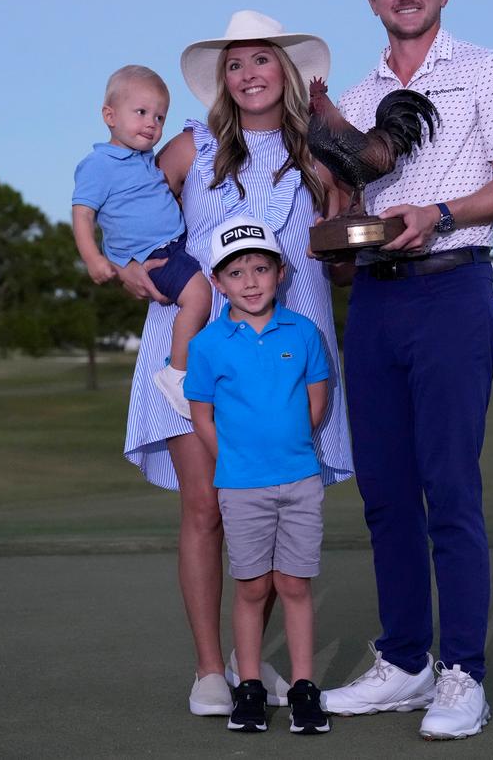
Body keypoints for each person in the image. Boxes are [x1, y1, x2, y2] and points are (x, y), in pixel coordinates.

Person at [319, 0, 493, 741]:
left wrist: (440, 213)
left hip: (453, 285)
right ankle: (405, 661)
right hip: (376, 299)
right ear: (372, 0)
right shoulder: (357, 89)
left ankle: (465, 673)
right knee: (384, 493)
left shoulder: (488, 67)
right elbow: (348, 204)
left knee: (450, 487)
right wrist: (336, 238)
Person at [118, 11, 354, 718]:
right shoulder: (191, 147)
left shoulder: (317, 152)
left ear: (284, 71)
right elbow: (129, 209)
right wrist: (125, 263)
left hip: (288, 351)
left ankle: (252, 663)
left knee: (271, 509)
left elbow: (341, 244)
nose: (250, 73)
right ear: (222, 80)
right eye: (235, 63)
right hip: (193, 343)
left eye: (262, 60)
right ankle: (209, 668)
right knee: (206, 506)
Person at [184, 214, 331, 735]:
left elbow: (316, 400)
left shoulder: (304, 333)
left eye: (260, 268)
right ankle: (247, 687)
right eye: (236, 272)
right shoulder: (208, 344)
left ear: (280, 273)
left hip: (299, 479)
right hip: (241, 485)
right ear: (219, 282)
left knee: (293, 583)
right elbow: (201, 411)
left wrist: (283, 444)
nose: (250, 281)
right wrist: (238, 454)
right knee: (251, 587)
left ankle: (303, 688)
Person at [71, 65, 210, 417]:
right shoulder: (99, 164)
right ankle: (176, 373)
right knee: (199, 298)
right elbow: (83, 214)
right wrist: (94, 259)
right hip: (155, 254)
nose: (152, 123)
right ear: (109, 116)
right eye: (142, 113)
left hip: (174, 244)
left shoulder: (145, 159)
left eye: (160, 117)